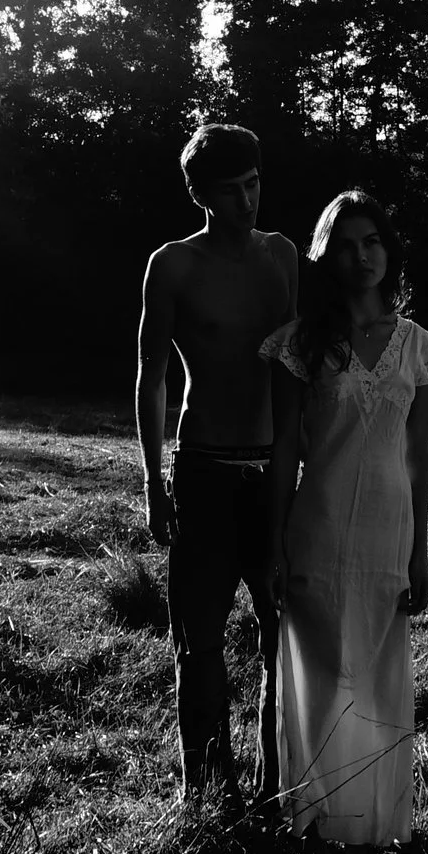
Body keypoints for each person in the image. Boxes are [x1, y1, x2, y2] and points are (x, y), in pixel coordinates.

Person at [262, 190, 428, 845]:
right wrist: (276, 541)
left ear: (389, 250)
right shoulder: (297, 345)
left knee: (376, 669)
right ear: (327, 258)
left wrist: (420, 550)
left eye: (371, 241)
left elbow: (417, 452)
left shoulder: (417, 346)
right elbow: (284, 446)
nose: (361, 255)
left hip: (387, 527)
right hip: (315, 523)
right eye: (345, 245)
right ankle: (311, 818)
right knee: (317, 668)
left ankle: (373, 824)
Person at [136, 123, 300, 800]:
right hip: (202, 467)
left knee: (282, 632)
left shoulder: (283, 255)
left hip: (274, 470)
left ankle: (279, 785)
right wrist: (153, 480)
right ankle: (206, 790)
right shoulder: (172, 263)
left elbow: (304, 364)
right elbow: (150, 375)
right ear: (200, 195)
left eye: (254, 184)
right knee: (198, 639)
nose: (247, 201)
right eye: (230, 191)